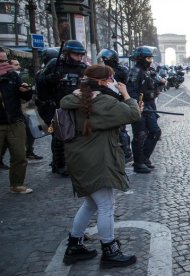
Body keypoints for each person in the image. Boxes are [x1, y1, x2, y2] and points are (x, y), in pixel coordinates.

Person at [60, 64, 140, 267]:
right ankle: (110, 251)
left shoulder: (73, 98)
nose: (115, 82)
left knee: (91, 204)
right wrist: (125, 93)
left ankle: (74, 246)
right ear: (104, 82)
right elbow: (133, 114)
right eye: (112, 79)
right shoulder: (103, 102)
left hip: (79, 158)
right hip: (97, 159)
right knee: (105, 205)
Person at [37, 40, 87, 176]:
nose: (79, 58)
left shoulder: (82, 67)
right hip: (57, 107)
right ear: (66, 53)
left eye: (81, 55)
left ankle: (73, 162)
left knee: (76, 136)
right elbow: (40, 86)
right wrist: (48, 79)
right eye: (76, 55)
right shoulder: (54, 64)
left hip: (76, 106)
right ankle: (59, 164)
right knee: (59, 138)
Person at [0, 49, 34, 193]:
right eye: (0, 61)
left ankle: (17, 184)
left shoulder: (12, 75)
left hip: (15, 120)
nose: (4, 63)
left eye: (5, 60)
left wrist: (25, 91)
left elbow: (24, 97)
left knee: (20, 155)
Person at [127, 46, 161, 173]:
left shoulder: (147, 71)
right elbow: (131, 91)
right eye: (148, 58)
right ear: (141, 59)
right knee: (140, 135)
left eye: (151, 58)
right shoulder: (135, 72)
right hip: (140, 107)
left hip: (149, 106)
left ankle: (145, 158)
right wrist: (138, 105)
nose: (150, 60)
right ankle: (138, 163)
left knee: (155, 132)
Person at [97, 48, 133, 163]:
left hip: (113, 103)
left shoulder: (110, 72)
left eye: (104, 60)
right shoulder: (122, 71)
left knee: (119, 130)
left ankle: (124, 154)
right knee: (120, 130)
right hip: (116, 102)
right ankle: (125, 153)